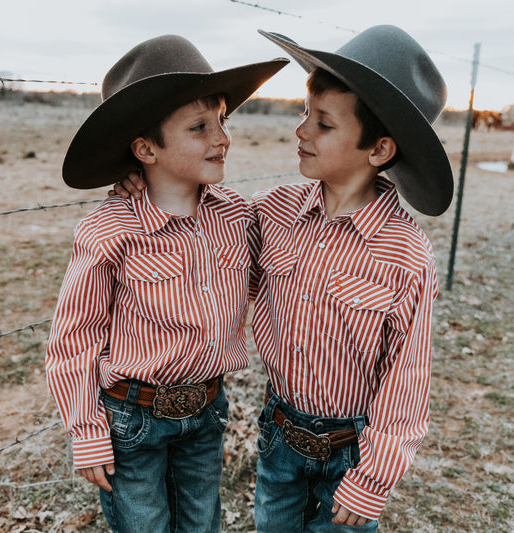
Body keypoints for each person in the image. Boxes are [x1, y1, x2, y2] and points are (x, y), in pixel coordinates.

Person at [111, 25, 454, 532]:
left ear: (379, 150)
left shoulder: (405, 254)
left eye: (323, 124)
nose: (301, 131)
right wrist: (151, 184)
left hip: (353, 453)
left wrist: (375, 476)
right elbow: (209, 231)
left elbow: (407, 379)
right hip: (281, 437)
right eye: (303, 115)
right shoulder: (273, 213)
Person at [45, 35, 287, 533]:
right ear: (145, 149)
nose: (221, 138)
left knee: (202, 523)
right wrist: (87, 429)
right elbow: (74, 338)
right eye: (200, 127)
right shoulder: (111, 229)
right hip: (132, 421)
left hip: (205, 412)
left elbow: (292, 244)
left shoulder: (236, 216)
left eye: (223, 120)